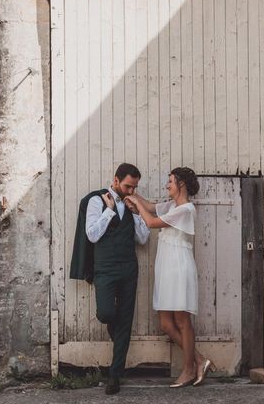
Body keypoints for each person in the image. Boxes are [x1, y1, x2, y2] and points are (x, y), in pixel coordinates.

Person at [125, 167, 215, 388]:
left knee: (182, 321)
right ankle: (200, 360)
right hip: (166, 266)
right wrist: (130, 193)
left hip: (178, 265)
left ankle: (188, 370)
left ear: (181, 184)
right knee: (166, 324)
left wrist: (135, 204)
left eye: (170, 181)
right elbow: (148, 207)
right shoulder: (171, 206)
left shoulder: (185, 209)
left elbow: (152, 222)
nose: (167, 185)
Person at [80, 163, 149, 395]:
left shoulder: (132, 203)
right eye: (128, 186)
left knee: (126, 321)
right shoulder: (96, 201)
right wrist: (109, 211)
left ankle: (115, 374)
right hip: (106, 269)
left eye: (134, 187)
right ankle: (117, 340)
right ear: (116, 180)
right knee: (107, 313)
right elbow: (91, 235)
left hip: (129, 268)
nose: (131, 190)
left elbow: (143, 239)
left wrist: (137, 213)